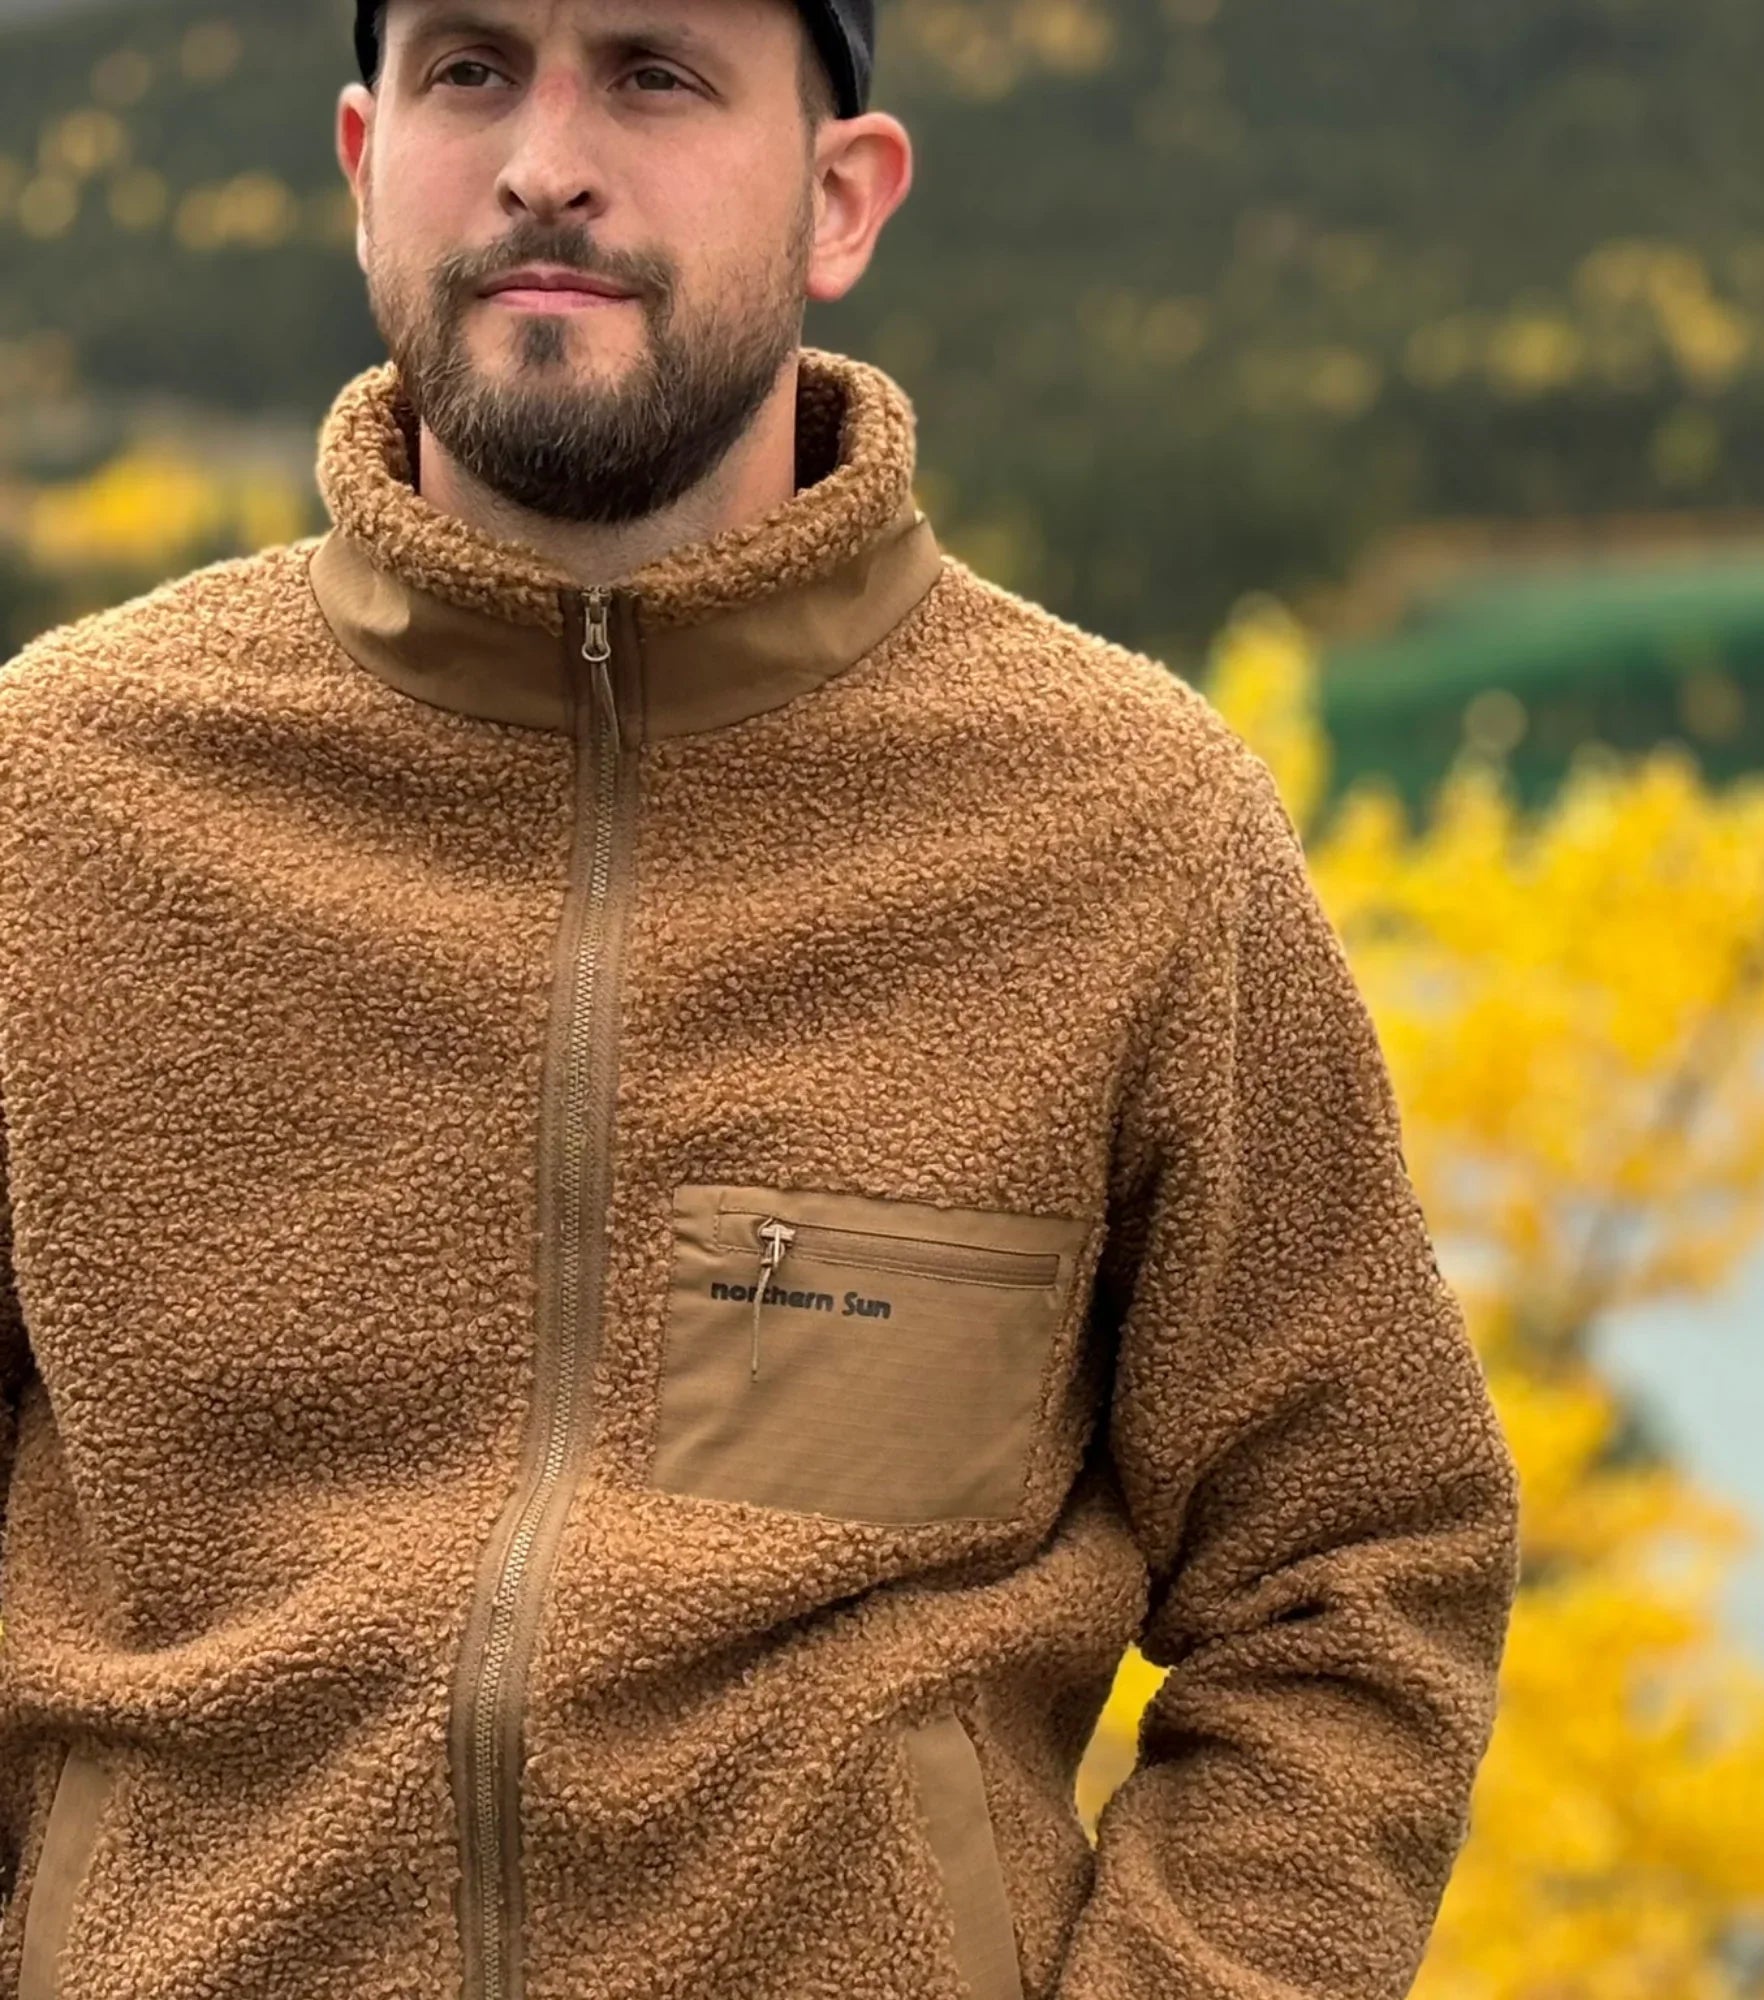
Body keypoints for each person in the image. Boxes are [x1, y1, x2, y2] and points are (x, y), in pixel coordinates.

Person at [0, 2, 1521, 1995]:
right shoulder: (59, 797)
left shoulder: (1123, 829)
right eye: (471, 70)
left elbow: (1359, 1562)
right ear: (367, 167)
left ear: (840, 199)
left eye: (654, 73)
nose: (546, 159)